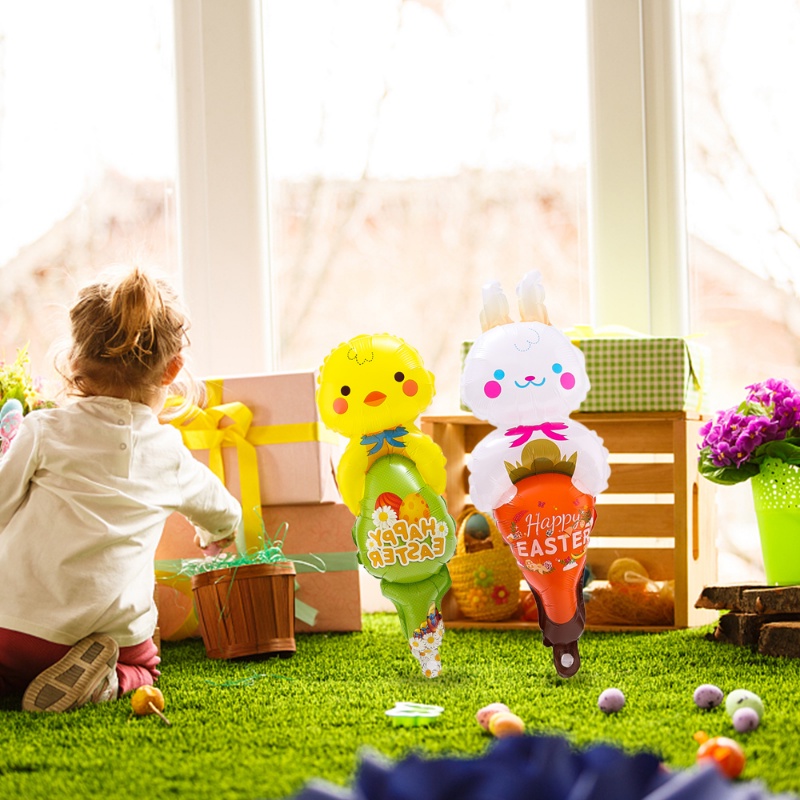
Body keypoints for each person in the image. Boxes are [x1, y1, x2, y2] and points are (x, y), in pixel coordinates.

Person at [0, 266, 242, 713]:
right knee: (147, 666)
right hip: (108, 635)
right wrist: (215, 541)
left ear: (74, 361)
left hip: (13, 630)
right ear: (172, 370)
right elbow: (225, 513)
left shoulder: (42, 430)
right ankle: (108, 682)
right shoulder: (168, 452)